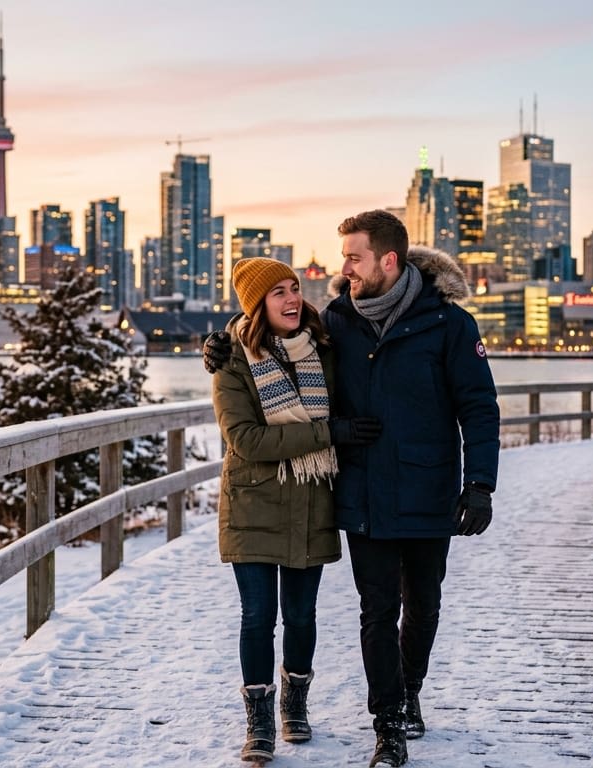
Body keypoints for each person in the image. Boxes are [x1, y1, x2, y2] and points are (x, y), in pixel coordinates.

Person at [205, 211, 499, 767]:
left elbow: (479, 408)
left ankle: (410, 691)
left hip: (429, 489)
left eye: (353, 258)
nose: (344, 270)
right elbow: (267, 328)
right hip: (363, 493)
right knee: (376, 611)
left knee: (425, 605)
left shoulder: (450, 324)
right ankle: (387, 726)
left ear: (388, 260)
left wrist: (479, 482)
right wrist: (218, 343)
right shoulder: (338, 321)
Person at [212, 257, 382, 763]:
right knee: (257, 616)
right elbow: (245, 439)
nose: (291, 299)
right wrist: (329, 433)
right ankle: (259, 720)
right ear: (256, 306)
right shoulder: (232, 360)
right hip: (253, 504)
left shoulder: (322, 348)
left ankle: (295, 703)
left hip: (312, 502)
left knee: (303, 616)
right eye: (277, 293)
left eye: (294, 288)